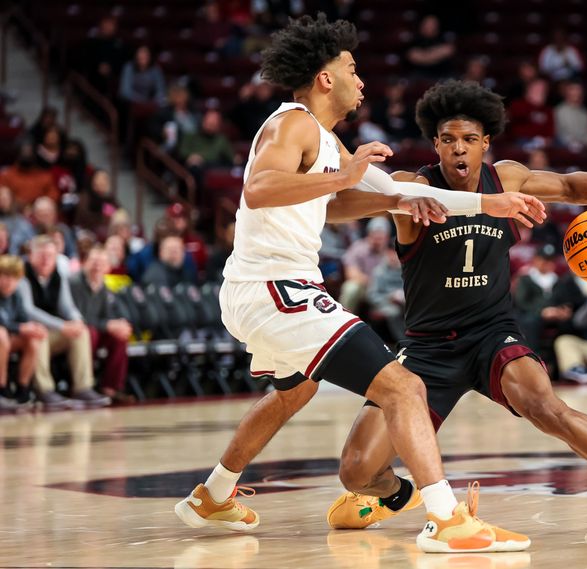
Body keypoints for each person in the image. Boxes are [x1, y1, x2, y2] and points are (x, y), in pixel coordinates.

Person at [173, 15, 540, 553]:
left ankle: (213, 494)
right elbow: (258, 189)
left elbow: (390, 192)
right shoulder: (292, 124)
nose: (361, 79)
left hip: (264, 289)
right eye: (351, 67)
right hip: (276, 288)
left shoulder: (326, 141)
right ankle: (447, 519)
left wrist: (486, 203)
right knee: (403, 387)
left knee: (293, 390)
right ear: (325, 78)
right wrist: (345, 178)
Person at [322, 80, 587, 541]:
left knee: (545, 407)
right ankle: (395, 494)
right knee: (356, 471)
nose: (459, 150)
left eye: (469, 140)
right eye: (449, 139)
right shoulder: (414, 189)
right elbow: (335, 209)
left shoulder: (506, 179)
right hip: (427, 349)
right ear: (435, 144)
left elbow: (572, 186)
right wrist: (395, 197)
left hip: (492, 334)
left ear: (485, 144)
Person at [16, 236, 110, 409]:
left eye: (50, 256)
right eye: (42, 255)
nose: (46, 260)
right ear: (31, 255)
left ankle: (83, 387)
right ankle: (44, 390)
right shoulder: (22, 275)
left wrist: (77, 320)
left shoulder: (58, 275)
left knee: (81, 332)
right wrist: (62, 326)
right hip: (25, 331)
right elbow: (29, 311)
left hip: (51, 330)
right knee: (40, 335)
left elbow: (67, 306)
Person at [69, 246, 133, 403]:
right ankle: (84, 386)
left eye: (102, 262)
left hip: (94, 331)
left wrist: (118, 324)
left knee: (119, 337)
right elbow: (79, 318)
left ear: (109, 267)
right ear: (84, 263)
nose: (98, 266)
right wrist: (109, 325)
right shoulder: (75, 283)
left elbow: (107, 316)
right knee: (90, 333)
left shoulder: (103, 286)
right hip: (74, 332)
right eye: (94, 261)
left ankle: (110, 388)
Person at [0, 255, 46, 411]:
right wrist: (22, 328)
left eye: (14, 277)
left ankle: (23, 389)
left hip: (7, 341)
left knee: (33, 339)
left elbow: (23, 319)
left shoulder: (16, 295)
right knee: (1, 335)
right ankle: (2, 389)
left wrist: (33, 328)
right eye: (5, 276)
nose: (9, 282)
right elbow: (3, 323)